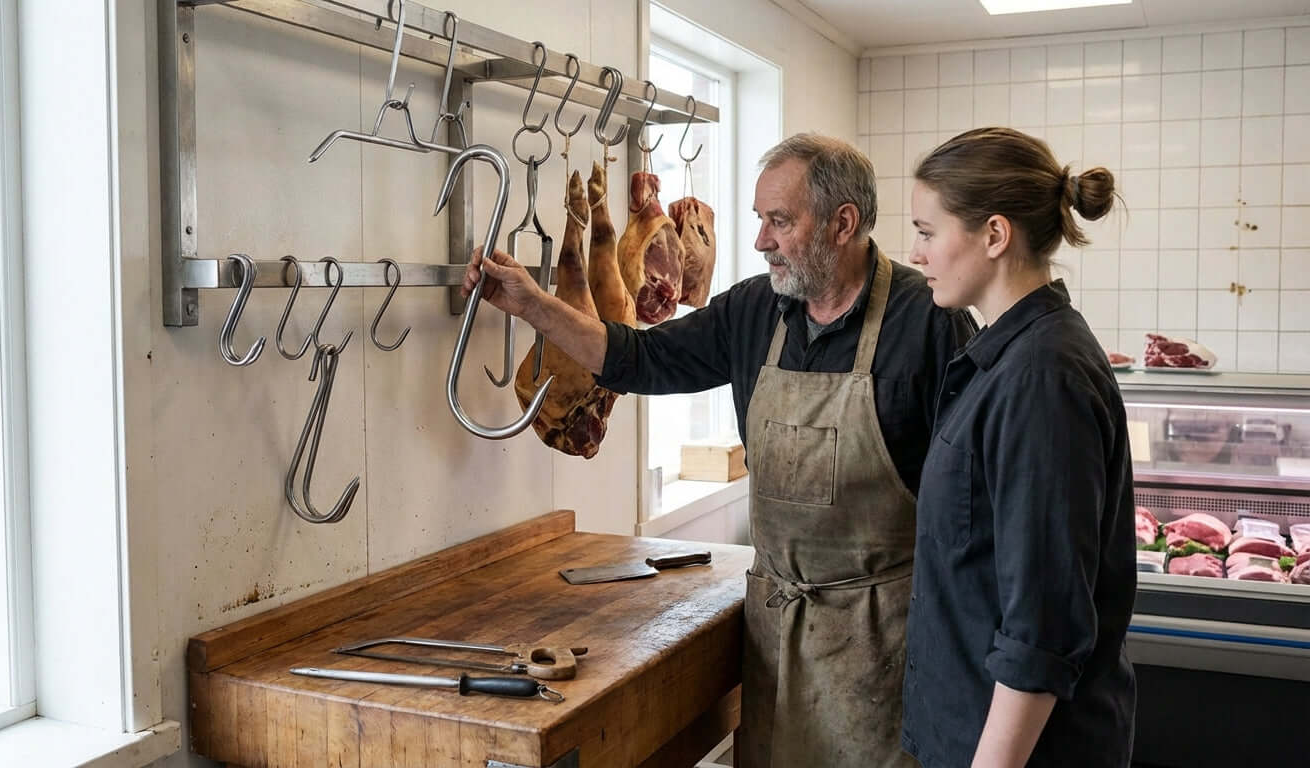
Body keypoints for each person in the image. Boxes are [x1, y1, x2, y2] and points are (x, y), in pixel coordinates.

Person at [463, 133, 974, 767]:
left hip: (886, 642)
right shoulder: (755, 310)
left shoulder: (928, 322)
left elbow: (970, 515)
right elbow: (638, 358)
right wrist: (532, 306)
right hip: (777, 635)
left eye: (779, 221)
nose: (761, 240)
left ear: (843, 224)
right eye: (760, 220)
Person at [901, 126, 1137, 768]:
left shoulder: (1042, 377)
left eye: (927, 231)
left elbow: (1044, 627)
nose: (915, 254)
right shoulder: (1006, 358)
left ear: (995, 236)